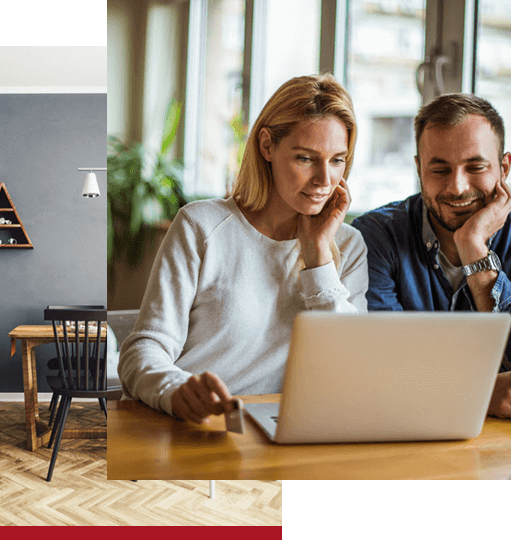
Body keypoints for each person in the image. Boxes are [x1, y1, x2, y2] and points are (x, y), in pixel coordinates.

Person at [119, 74, 369, 424]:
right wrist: (175, 390)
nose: (325, 180)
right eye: (305, 159)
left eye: (338, 160)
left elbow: (350, 367)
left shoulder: (347, 245)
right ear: (267, 146)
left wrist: (317, 255)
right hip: (194, 427)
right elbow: (143, 349)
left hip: (287, 432)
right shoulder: (200, 226)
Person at [351, 93, 511, 420]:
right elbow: (379, 364)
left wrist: (475, 250)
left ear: (504, 167)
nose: (457, 187)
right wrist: (478, 392)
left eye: (475, 167)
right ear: (419, 168)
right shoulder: (375, 236)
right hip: (402, 431)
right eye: (440, 169)